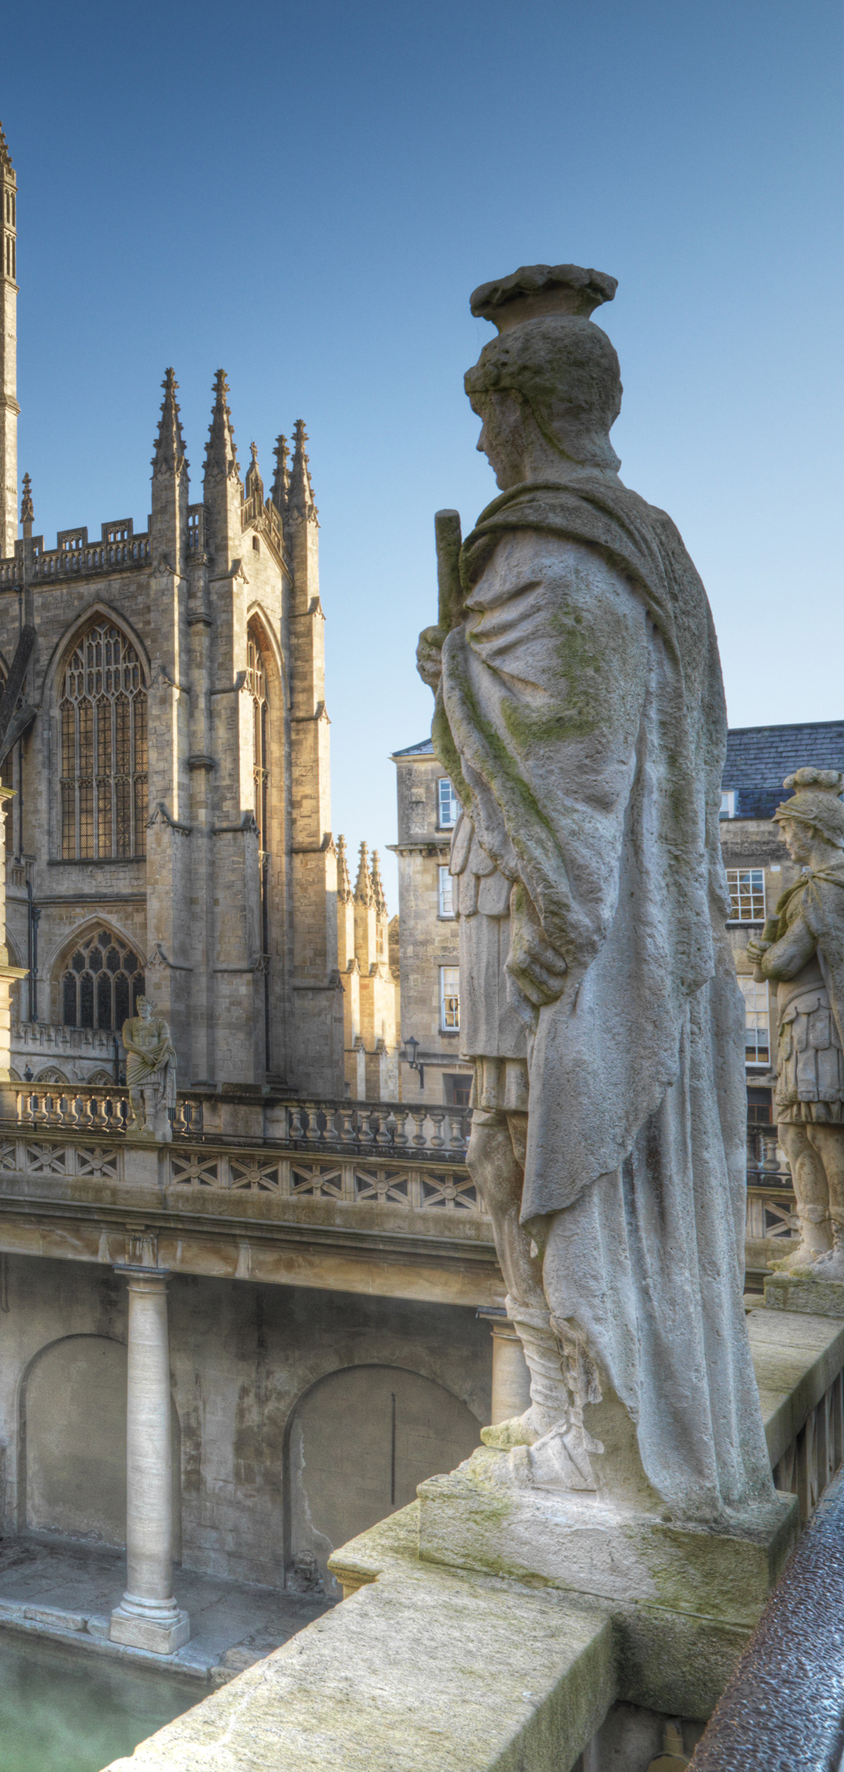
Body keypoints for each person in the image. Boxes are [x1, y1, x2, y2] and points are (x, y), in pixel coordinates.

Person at [416, 264, 772, 1524]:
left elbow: (567, 756)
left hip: (542, 916)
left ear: (523, 409)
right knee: (502, 1140)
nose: (477, 439)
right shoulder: (645, 540)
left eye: (484, 412)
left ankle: (585, 1422)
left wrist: (457, 673)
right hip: (556, 904)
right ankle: (574, 1405)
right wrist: (461, 672)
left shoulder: (543, 548)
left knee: (518, 1145)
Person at [747, 769, 844, 1280]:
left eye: (787, 829)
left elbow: (783, 961)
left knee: (825, 1134)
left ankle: (838, 1246)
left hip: (820, 1026)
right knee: (795, 1133)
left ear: (812, 829)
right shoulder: (807, 888)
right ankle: (814, 1241)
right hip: (798, 1028)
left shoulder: (824, 888)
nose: (784, 839)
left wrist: (764, 954)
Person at [118, 994, 175, 1141]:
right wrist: (145, 1054)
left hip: (152, 1063)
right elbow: (127, 1043)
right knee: (134, 1094)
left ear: (151, 1008)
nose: (141, 1008)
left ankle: (150, 1122)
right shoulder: (129, 1023)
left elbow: (166, 1044)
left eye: (144, 1006)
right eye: (139, 1006)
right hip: (136, 1061)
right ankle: (138, 1120)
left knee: (149, 1094)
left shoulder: (160, 1024)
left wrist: (161, 1058)